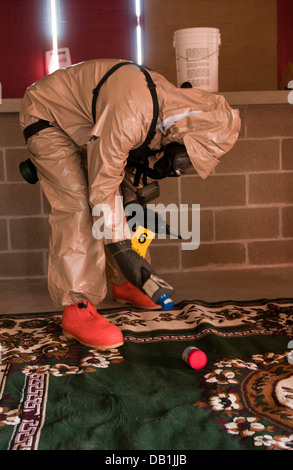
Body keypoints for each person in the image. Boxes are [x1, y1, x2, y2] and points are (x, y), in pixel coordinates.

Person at [19, 59, 241, 350]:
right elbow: (102, 190)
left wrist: (131, 253)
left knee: (130, 200)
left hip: (93, 122)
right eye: (184, 160)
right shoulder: (133, 115)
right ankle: (78, 307)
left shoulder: (166, 112)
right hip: (49, 117)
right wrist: (125, 253)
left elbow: (123, 192)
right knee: (80, 205)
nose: (179, 168)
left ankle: (124, 283)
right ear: (183, 135)